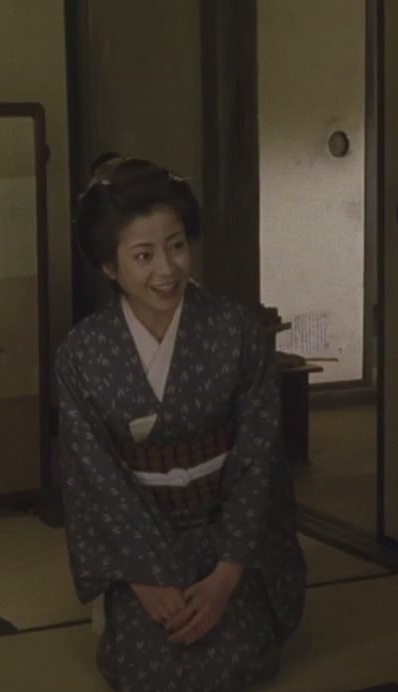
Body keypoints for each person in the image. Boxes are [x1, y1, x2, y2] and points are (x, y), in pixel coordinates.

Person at [56, 153, 305, 691]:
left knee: (243, 660)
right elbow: (93, 477)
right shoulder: (83, 353)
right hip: (141, 539)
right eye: (143, 255)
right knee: (147, 669)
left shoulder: (235, 331)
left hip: (225, 531)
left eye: (176, 246)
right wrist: (143, 577)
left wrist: (227, 574)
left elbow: (259, 455)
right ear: (109, 266)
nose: (166, 270)